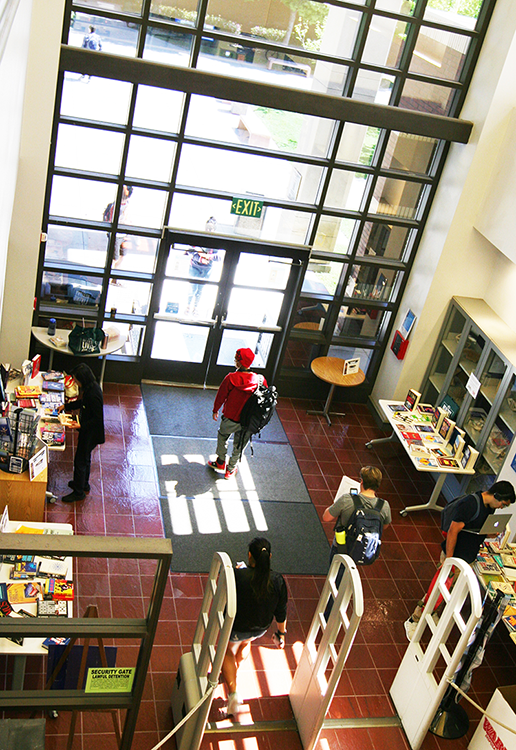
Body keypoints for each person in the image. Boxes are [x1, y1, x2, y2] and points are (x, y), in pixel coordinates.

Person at [404, 480, 516, 639]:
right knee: (437, 590)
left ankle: (432, 612)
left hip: (467, 557)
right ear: (496, 496)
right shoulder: (470, 504)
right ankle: (414, 619)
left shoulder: (489, 508)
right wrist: (449, 560)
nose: (501, 508)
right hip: (455, 556)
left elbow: (473, 528)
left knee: (449, 591)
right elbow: (452, 531)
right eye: (503, 504)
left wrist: (487, 534)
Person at [222, 537, 287, 718]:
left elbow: (226, 594)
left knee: (226, 651)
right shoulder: (277, 580)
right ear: (270, 556)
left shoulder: (239, 576)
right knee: (245, 643)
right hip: (260, 629)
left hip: (237, 626)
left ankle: (233, 693)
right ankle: (236, 668)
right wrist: (281, 633)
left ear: (250, 556)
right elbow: (281, 612)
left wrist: (238, 572)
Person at [322, 467, 391, 599]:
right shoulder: (384, 506)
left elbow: (326, 517)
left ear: (361, 482)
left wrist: (336, 505)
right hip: (363, 547)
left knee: (335, 573)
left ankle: (330, 600)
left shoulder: (347, 500)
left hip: (341, 546)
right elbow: (385, 526)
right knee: (349, 570)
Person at [208, 348, 265, 480]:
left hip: (230, 418)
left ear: (238, 363)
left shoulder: (231, 378)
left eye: (235, 359)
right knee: (239, 444)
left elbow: (221, 395)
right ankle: (231, 469)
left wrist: (215, 409)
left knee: (223, 436)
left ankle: (221, 461)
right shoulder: (259, 380)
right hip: (248, 422)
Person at [61, 364, 105, 503]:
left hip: (90, 433)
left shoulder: (93, 395)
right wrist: (66, 406)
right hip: (88, 432)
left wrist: (81, 425)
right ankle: (83, 484)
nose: (75, 382)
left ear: (82, 380)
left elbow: (97, 419)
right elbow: (82, 403)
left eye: (76, 379)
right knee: (85, 459)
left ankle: (78, 492)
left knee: (80, 461)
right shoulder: (91, 388)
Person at [185, 217, 219, 315]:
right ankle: (188, 306)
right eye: (207, 228)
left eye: (211, 229)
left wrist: (209, 257)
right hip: (194, 266)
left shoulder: (216, 242)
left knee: (200, 289)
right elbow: (190, 251)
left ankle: (195, 308)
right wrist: (200, 258)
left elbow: (220, 257)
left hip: (207, 269)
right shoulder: (198, 238)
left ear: (214, 230)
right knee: (192, 288)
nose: (209, 230)